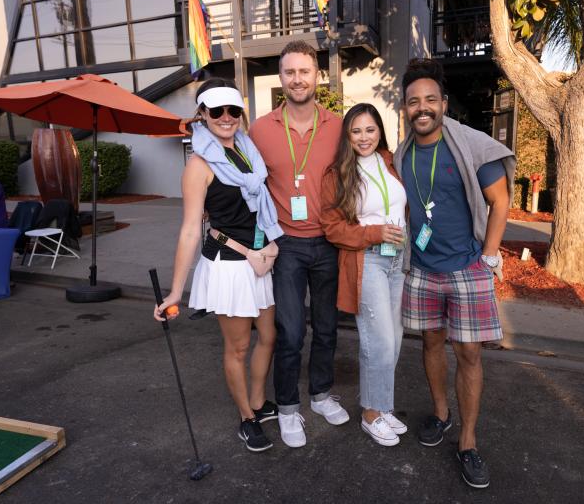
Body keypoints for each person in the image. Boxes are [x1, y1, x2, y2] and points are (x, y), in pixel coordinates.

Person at [393, 59, 515, 488]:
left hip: (467, 269)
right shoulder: (403, 153)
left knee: (469, 354)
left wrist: (490, 256)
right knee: (430, 343)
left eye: (430, 99)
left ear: (443, 103)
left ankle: (468, 440)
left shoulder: (472, 146)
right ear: (405, 108)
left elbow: (500, 202)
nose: (421, 108)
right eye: (413, 102)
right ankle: (442, 415)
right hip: (423, 270)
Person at [154, 78, 284, 453]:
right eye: (217, 111)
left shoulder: (246, 150)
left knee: (269, 336)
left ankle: (258, 403)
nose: (226, 118)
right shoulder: (198, 164)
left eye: (233, 110)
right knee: (239, 347)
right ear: (203, 115)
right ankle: (246, 417)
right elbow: (190, 231)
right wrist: (177, 291)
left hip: (259, 259)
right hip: (229, 265)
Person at [249, 40, 347, 448]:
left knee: (327, 328)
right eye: (289, 72)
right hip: (284, 244)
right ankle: (288, 407)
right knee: (289, 332)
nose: (297, 79)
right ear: (282, 78)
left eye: (304, 71)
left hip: (329, 241)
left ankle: (321, 394)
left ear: (317, 76)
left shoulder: (340, 126)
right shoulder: (260, 129)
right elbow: (248, 189)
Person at [320, 103, 408, 446]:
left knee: (396, 340)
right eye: (356, 131)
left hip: (398, 259)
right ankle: (371, 415)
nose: (363, 137)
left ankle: (382, 406)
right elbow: (331, 228)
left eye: (370, 129)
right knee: (379, 341)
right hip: (366, 260)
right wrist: (374, 234)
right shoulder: (338, 173)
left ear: (379, 131)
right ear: (347, 135)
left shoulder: (390, 161)